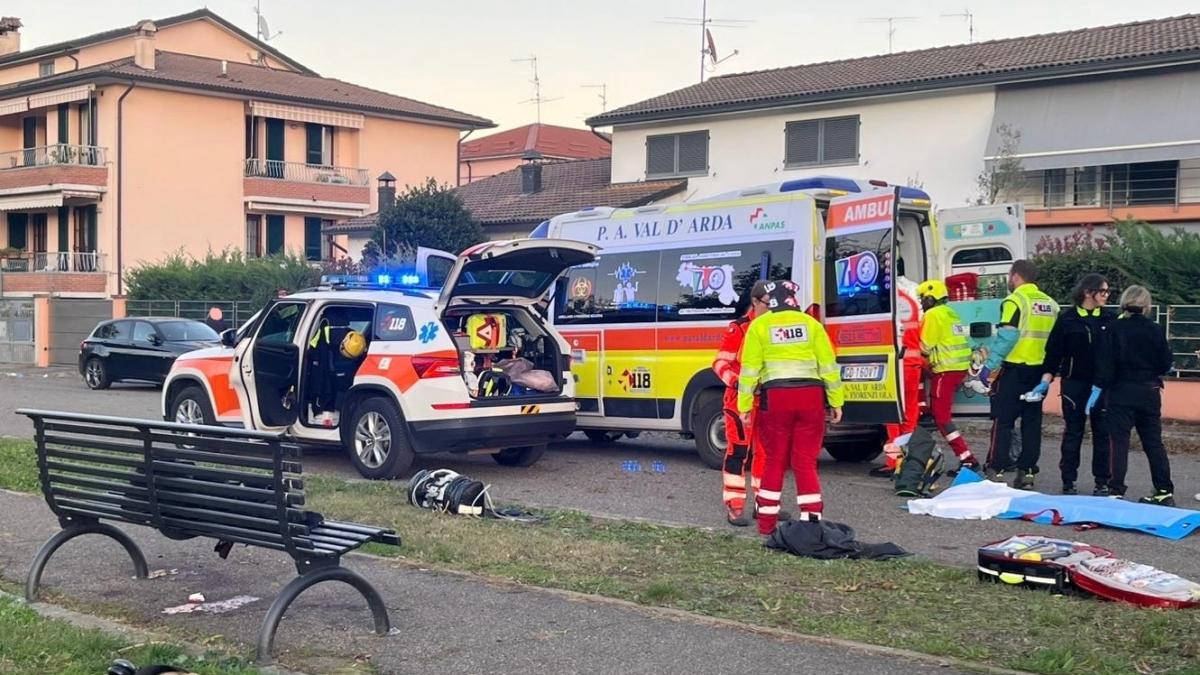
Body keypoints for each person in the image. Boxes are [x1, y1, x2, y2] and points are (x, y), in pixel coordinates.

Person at [737, 280, 843, 535]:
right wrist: (836, 401)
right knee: (805, 462)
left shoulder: (759, 326)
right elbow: (829, 367)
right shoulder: (812, 325)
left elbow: (749, 371)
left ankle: (766, 525)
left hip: (776, 398)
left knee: (774, 460)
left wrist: (744, 406)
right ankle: (812, 522)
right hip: (811, 398)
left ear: (771, 301)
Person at [979, 260, 1059, 490]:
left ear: (1015, 277)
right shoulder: (1051, 304)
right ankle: (1027, 473)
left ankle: (996, 468)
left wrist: (990, 366)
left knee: (1003, 420)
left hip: (1015, 370)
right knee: (1032, 423)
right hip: (1040, 373)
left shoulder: (1014, 300)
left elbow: (1007, 337)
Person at [1093, 285, 1176, 506]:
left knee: (1118, 442)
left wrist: (1099, 388)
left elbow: (1105, 365)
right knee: (1153, 443)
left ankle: (1115, 490)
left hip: (1120, 390)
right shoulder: (1155, 329)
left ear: (1123, 303)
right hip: (1149, 390)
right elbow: (1165, 363)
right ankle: (1163, 489)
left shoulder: (1113, 328)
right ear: (1147, 305)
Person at [1035, 273, 1116, 495]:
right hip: (1074, 384)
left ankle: (1102, 481)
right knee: (1073, 432)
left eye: (1107, 292)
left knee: (1102, 433)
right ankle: (1068, 480)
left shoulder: (1110, 319)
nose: (1106, 295)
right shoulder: (1067, 319)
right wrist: (1045, 380)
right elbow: (1053, 354)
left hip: (1101, 386)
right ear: (1088, 292)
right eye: (1103, 291)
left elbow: (1116, 354)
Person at [713, 288, 768, 526]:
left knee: (766, 454)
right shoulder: (739, 328)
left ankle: (764, 504)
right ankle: (734, 507)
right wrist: (741, 384)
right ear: (755, 301)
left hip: (765, 400)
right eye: (768, 302)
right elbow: (720, 363)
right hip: (738, 401)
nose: (772, 306)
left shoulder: (774, 328)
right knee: (738, 454)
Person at [916, 279, 980, 471]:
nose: (921, 303)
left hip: (945, 370)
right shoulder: (950, 312)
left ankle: (967, 458)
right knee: (938, 413)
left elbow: (924, 346)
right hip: (957, 368)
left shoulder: (933, 314)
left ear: (931, 298)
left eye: (922, 299)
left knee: (942, 418)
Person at [872, 277, 922, 478]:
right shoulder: (909, 302)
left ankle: (894, 462)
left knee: (891, 415)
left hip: (897, 366)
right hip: (913, 365)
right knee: (909, 415)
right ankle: (910, 461)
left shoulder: (886, 305)